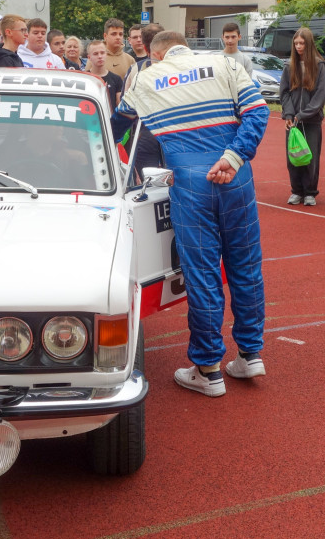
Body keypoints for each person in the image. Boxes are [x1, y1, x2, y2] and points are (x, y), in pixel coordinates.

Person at [111, 30, 269, 398]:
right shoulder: (225, 62)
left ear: (156, 54)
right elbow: (258, 113)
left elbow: (117, 124)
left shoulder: (148, 76)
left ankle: (208, 368)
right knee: (246, 267)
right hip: (236, 175)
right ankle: (250, 353)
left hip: (189, 181)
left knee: (203, 274)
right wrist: (233, 157)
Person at [279, 27, 325, 206]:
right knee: (293, 155)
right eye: (296, 43)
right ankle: (296, 191)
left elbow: (320, 95)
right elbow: (284, 92)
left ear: (309, 44)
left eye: (302, 43)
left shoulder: (319, 65)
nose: (299, 46)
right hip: (293, 120)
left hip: (311, 120)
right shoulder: (288, 65)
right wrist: (290, 114)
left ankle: (310, 192)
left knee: (310, 156)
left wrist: (303, 114)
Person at [123, 24, 165, 170]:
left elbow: (125, 107)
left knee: (147, 180)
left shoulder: (136, 69)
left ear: (145, 48)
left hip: (145, 130)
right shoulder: (182, 69)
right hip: (175, 132)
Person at [83, 39, 124, 111]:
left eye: (102, 53)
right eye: (95, 54)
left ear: (106, 54)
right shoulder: (84, 78)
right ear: (89, 57)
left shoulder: (116, 79)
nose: (99, 56)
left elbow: (120, 106)